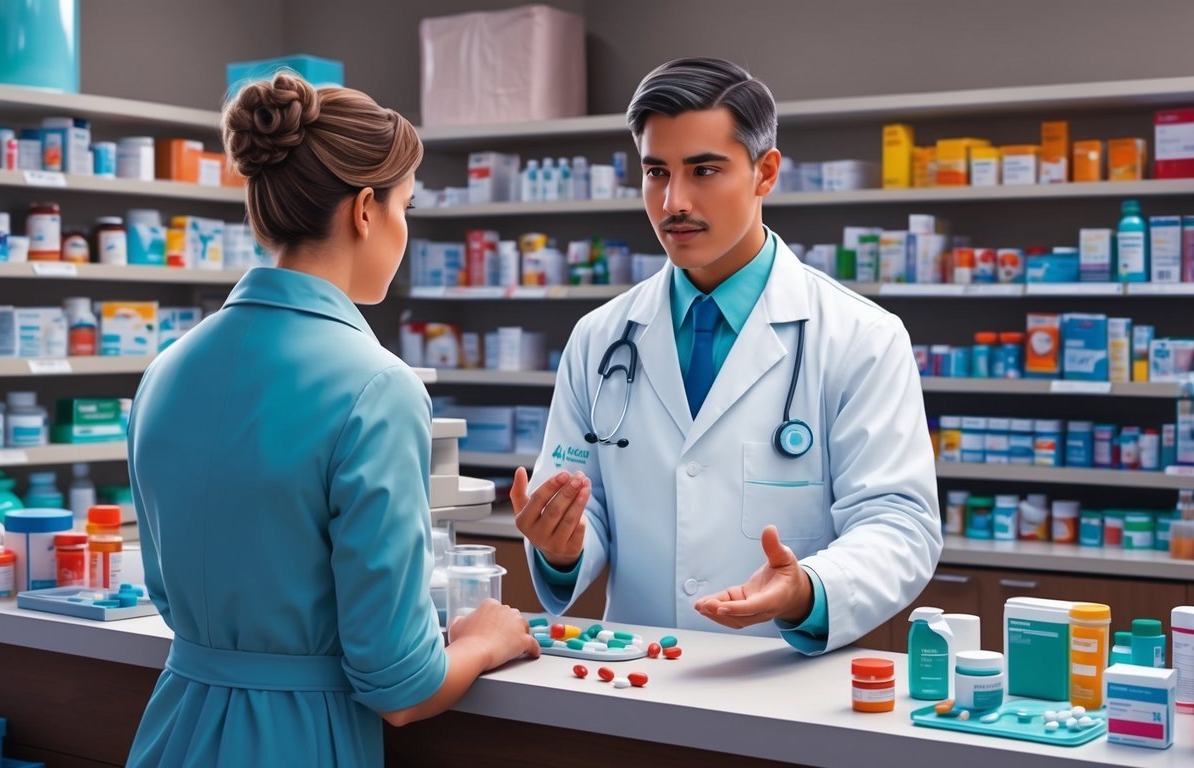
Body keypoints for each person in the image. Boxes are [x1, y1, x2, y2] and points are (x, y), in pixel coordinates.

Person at [126, 73, 538, 767]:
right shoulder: (377, 386)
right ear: (366, 210)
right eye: (406, 206)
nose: (404, 231)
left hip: (174, 729)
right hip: (297, 742)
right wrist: (486, 638)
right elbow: (400, 686)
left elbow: (170, 595)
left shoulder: (167, 370)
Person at [513, 57, 941, 655]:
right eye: (656, 172)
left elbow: (900, 524)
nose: (674, 201)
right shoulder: (600, 337)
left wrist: (809, 590)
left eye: (704, 169)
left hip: (782, 683)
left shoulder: (861, 336)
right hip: (636, 679)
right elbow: (588, 510)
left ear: (765, 174)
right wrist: (562, 548)